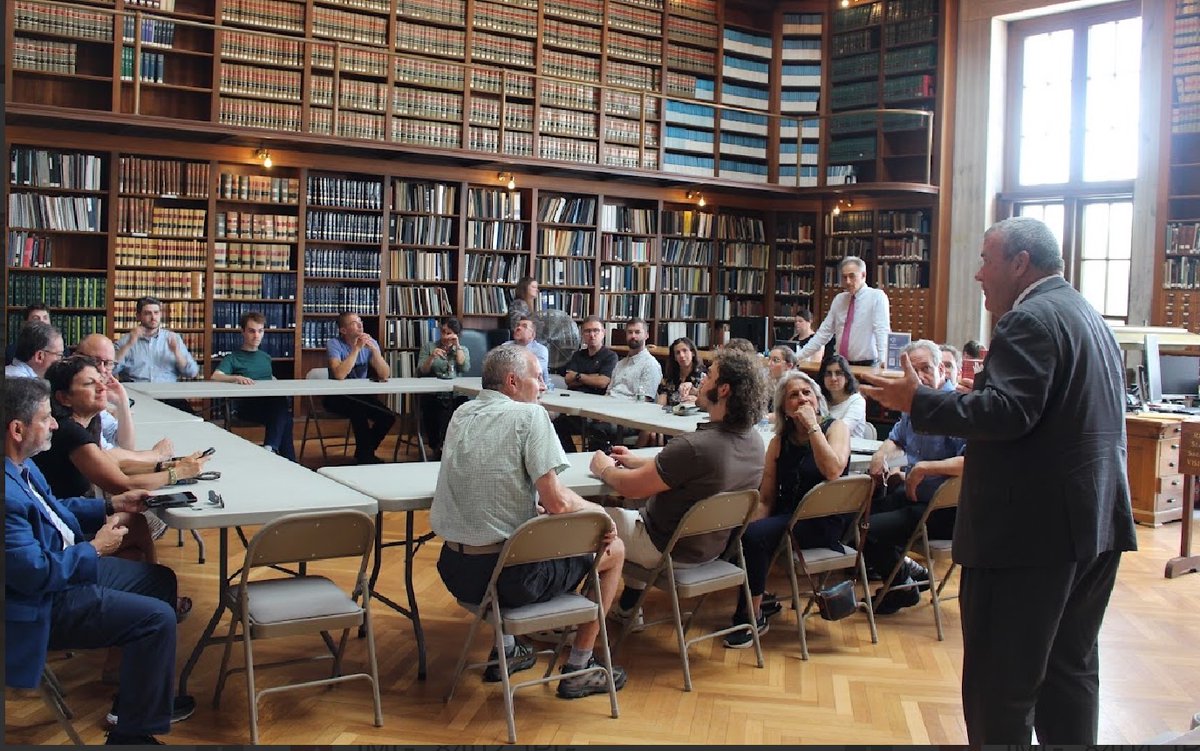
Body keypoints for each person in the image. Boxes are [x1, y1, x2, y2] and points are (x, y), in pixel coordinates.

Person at [859, 216, 1137, 745]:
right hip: (1095, 522)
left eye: (986, 260)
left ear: (1020, 263)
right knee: (1070, 673)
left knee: (1000, 688)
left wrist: (919, 401)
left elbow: (1009, 414)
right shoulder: (1087, 315)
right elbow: (1051, 413)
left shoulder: (1028, 319)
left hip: (1029, 537)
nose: (978, 274)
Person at [5, 377, 195, 745]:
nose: (55, 424)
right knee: (157, 619)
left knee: (159, 581)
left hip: (63, 573)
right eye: (45, 418)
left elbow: (54, 511)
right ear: (17, 429)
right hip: (42, 602)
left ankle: (135, 704)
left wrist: (112, 504)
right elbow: (33, 574)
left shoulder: (22, 466)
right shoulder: (7, 494)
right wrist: (95, 549)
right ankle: (131, 736)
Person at [430, 345, 628, 699]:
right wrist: (599, 513)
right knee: (615, 549)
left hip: (455, 572)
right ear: (512, 381)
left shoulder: (462, 412)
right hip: (508, 580)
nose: (543, 386)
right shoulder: (530, 416)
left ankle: (507, 651)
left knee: (511, 540)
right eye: (538, 378)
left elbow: (492, 487)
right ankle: (580, 666)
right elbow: (557, 502)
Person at [589, 349, 767, 623]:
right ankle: (628, 607)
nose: (702, 379)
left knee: (585, 521)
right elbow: (693, 473)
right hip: (709, 548)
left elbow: (630, 488)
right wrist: (638, 462)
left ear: (723, 389)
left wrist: (604, 469)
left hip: (662, 546)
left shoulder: (695, 447)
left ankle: (574, 623)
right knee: (635, 510)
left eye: (709, 375)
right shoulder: (754, 441)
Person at [721, 370, 851, 647]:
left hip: (821, 520)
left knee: (755, 537)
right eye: (794, 395)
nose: (802, 398)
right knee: (742, 532)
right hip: (787, 516)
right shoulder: (779, 442)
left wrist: (813, 426)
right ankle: (760, 599)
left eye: (807, 393)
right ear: (784, 408)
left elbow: (833, 470)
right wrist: (751, 525)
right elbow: (767, 498)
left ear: (817, 400)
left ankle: (750, 616)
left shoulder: (835, 428)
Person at [863, 340, 965, 613]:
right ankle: (910, 572)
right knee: (857, 517)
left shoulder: (955, 407)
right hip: (914, 496)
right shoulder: (915, 404)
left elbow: (971, 463)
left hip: (944, 508)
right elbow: (895, 438)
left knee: (868, 531)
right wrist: (880, 456)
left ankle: (902, 588)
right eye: (912, 371)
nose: (919, 376)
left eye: (925, 368)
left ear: (941, 370)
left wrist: (925, 468)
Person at [37, 356, 211, 501]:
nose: (102, 387)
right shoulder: (69, 431)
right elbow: (123, 486)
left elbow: (112, 463)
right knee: (142, 517)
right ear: (64, 398)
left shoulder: (90, 420)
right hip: (64, 517)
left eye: (101, 381)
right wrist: (178, 472)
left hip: (75, 507)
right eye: (89, 384)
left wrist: (170, 465)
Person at [210, 311, 298, 462]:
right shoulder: (233, 358)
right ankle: (283, 458)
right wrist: (236, 378)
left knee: (283, 414)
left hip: (268, 407)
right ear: (243, 332)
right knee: (283, 414)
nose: (256, 335)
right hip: (246, 407)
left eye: (260, 331)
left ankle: (273, 451)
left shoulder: (266, 357)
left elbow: (269, 379)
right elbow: (215, 376)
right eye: (251, 331)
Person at [325, 311, 394, 465]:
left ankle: (364, 452)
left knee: (388, 416)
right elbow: (339, 375)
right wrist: (356, 349)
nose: (360, 325)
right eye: (354, 323)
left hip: (361, 396)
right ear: (343, 330)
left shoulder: (370, 342)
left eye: (360, 321)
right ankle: (365, 456)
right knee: (358, 411)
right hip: (336, 396)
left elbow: (384, 375)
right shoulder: (334, 344)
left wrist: (375, 352)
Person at [797, 256, 891, 366]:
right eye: (844, 277)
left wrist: (883, 360)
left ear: (863, 275)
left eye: (852, 276)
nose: (848, 282)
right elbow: (823, 333)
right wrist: (797, 357)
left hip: (866, 363)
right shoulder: (839, 299)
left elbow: (881, 330)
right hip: (840, 363)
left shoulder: (877, 297)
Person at [555, 316, 618, 453]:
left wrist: (578, 376)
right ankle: (572, 456)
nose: (592, 335)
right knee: (557, 425)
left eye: (596, 330)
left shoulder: (610, 356)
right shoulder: (577, 355)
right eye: (588, 331)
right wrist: (593, 377)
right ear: (582, 334)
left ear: (603, 333)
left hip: (598, 410)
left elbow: (603, 382)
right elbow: (568, 379)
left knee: (597, 431)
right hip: (576, 407)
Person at [416, 316, 470, 459]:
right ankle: (437, 448)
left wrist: (457, 346)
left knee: (462, 407)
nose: (445, 336)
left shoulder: (462, 349)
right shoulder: (429, 347)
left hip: (455, 393)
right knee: (434, 407)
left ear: (456, 335)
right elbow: (422, 371)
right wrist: (432, 357)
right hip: (434, 393)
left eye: (449, 333)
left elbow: (464, 367)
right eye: (443, 332)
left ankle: (454, 448)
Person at [113, 296, 200, 383]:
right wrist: (128, 345)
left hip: (166, 390)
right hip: (135, 390)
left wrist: (177, 352)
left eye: (156, 312)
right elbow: (111, 370)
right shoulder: (125, 341)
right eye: (148, 313)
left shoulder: (173, 338)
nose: (153, 317)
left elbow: (192, 372)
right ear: (138, 316)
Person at [817, 353, 869, 438]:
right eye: (828, 374)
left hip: (851, 445)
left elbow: (842, 430)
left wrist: (818, 424)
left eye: (838, 373)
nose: (833, 378)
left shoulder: (857, 401)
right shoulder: (820, 399)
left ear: (847, 378)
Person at [504, 315, 553, 390]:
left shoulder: (541, 350)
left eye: (524, 326)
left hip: (537, 391)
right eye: (517, 325)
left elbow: (533, 372)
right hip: (510, 389)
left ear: (532, 335)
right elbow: (498, 369)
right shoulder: (505, 346)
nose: (518, 328)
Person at [656, 336, 706, 408]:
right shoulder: (669, 377)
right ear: (675, 357)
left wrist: (697, 400)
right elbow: (660, 404)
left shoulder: (703, 377)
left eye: (685, 351)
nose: (682, 355)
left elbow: (709, 403)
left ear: (693, 353)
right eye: (677, 353)